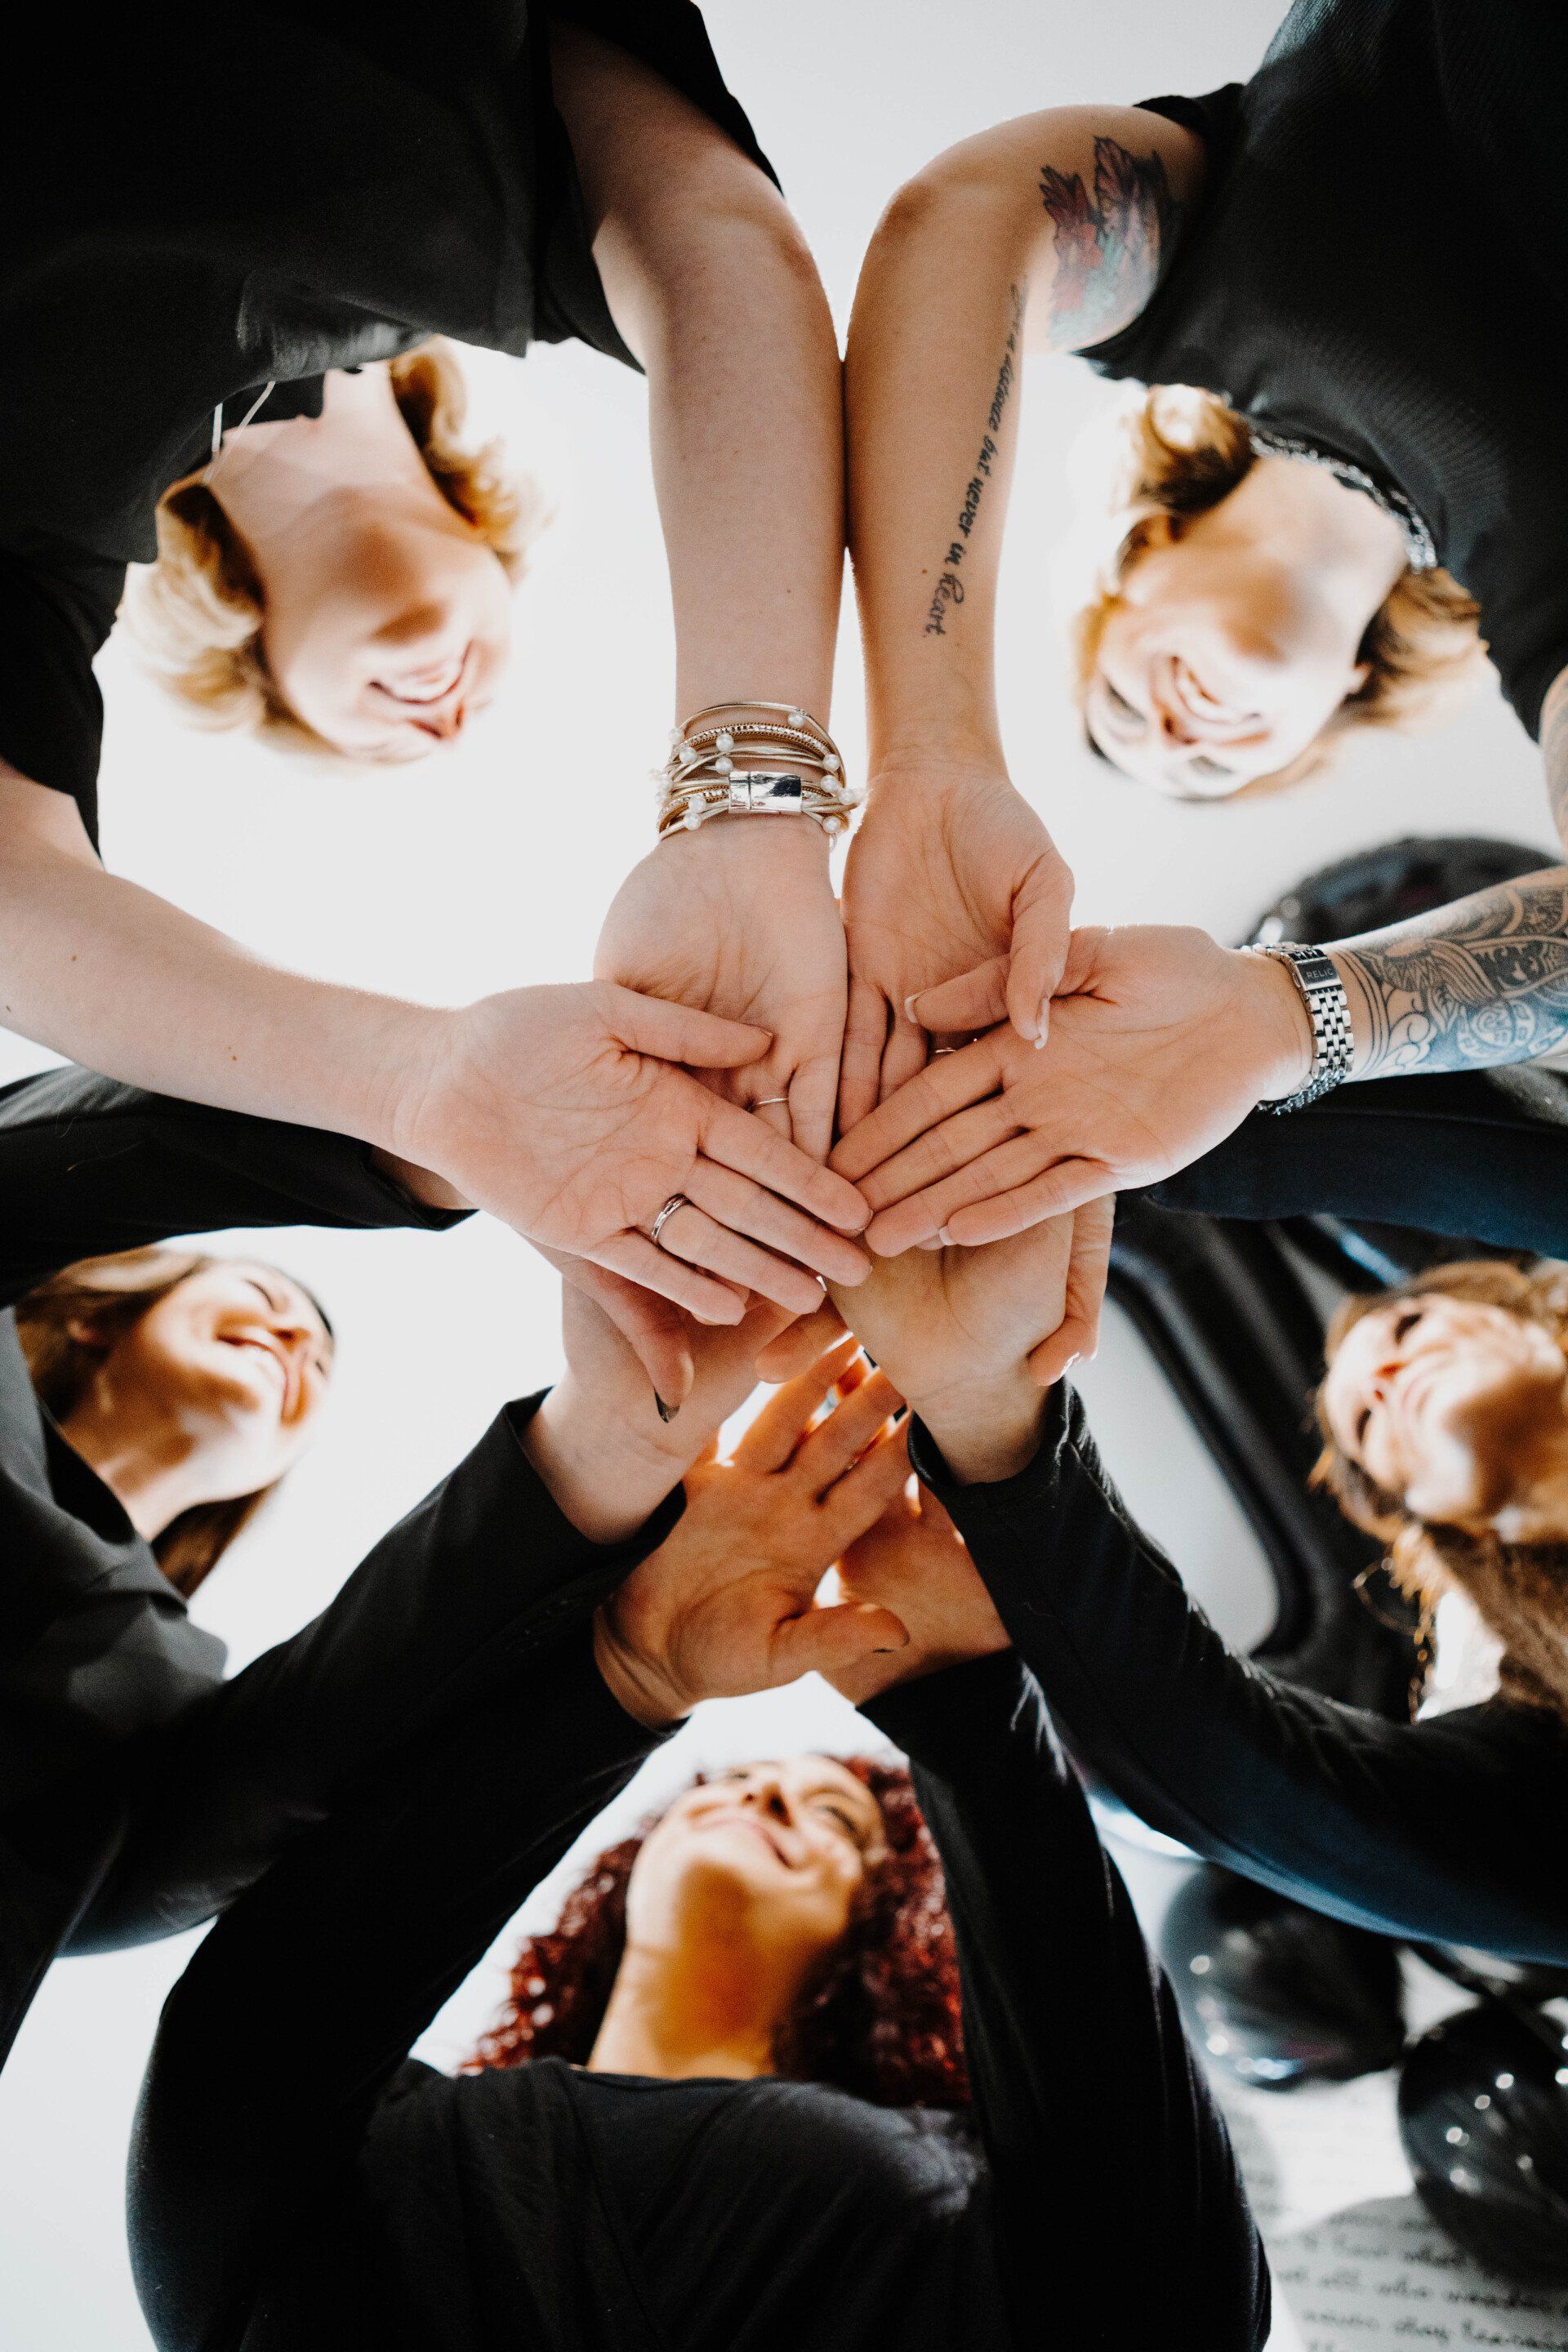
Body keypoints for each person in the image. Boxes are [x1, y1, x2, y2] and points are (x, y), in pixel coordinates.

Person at [127, 1213, 1267, 2352]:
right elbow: (236, 2063)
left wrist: (971, 1717)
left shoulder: (962, 2185)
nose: (767, 1799)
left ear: (883, 1938)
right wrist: (628, 1670)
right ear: (609, 1887)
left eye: (831, 1821)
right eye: (725, 1797)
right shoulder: (400, 2150)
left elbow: (1179, 2313)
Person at [0, 4, 875, 1383]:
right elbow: (723, 252)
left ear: (261, 668)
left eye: (370, 740)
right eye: (474, 702)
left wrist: (423, 1080)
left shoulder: (36, 541)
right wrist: (749, 818)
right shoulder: (498, 218)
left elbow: (11, 895)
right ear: (497, 543)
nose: (442, 711)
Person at [831, 0, 1568, 1277]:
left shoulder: (1196, 279)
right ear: (1339, 696)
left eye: (1123, 705)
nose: (1177, 731)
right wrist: (1277, 1015)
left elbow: (962, 229)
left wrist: (933, 753)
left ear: (1141, 561)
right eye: (1213, 766)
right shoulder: (1545, 607)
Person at [835, 1214, 1568, 1968]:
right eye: (1366, 1420)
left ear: (1522, 1312)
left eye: (1409, 1326)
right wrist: (987, 1411)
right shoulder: (1542, 1743)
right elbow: (1239, 1775)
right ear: (1428, 1521)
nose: (1385, 1377)